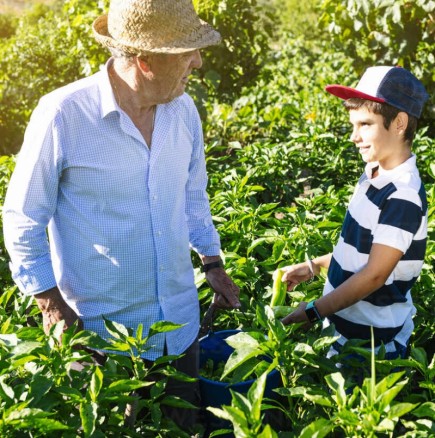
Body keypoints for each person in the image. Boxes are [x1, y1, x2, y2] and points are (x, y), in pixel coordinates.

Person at [3, 0, 240, 431]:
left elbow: (193, 196)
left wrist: (212, 262)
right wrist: (51, 306)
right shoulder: (63, 115)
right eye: (187, 52)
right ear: (145, 59)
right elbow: (23, 218)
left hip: (178, 330)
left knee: (182, 428)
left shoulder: (184, 112)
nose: (198, 62)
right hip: (101, 342)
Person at [280, 66, 429, 365]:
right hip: (343, 329)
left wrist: (314, 310)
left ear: (399, 123)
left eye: (365, 124)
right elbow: (358, 251)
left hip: (371, 344)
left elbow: (374, 274)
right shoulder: (374, 174)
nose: (354, 137)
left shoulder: (402, 195)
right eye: (352, 125)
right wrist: (314, 267)